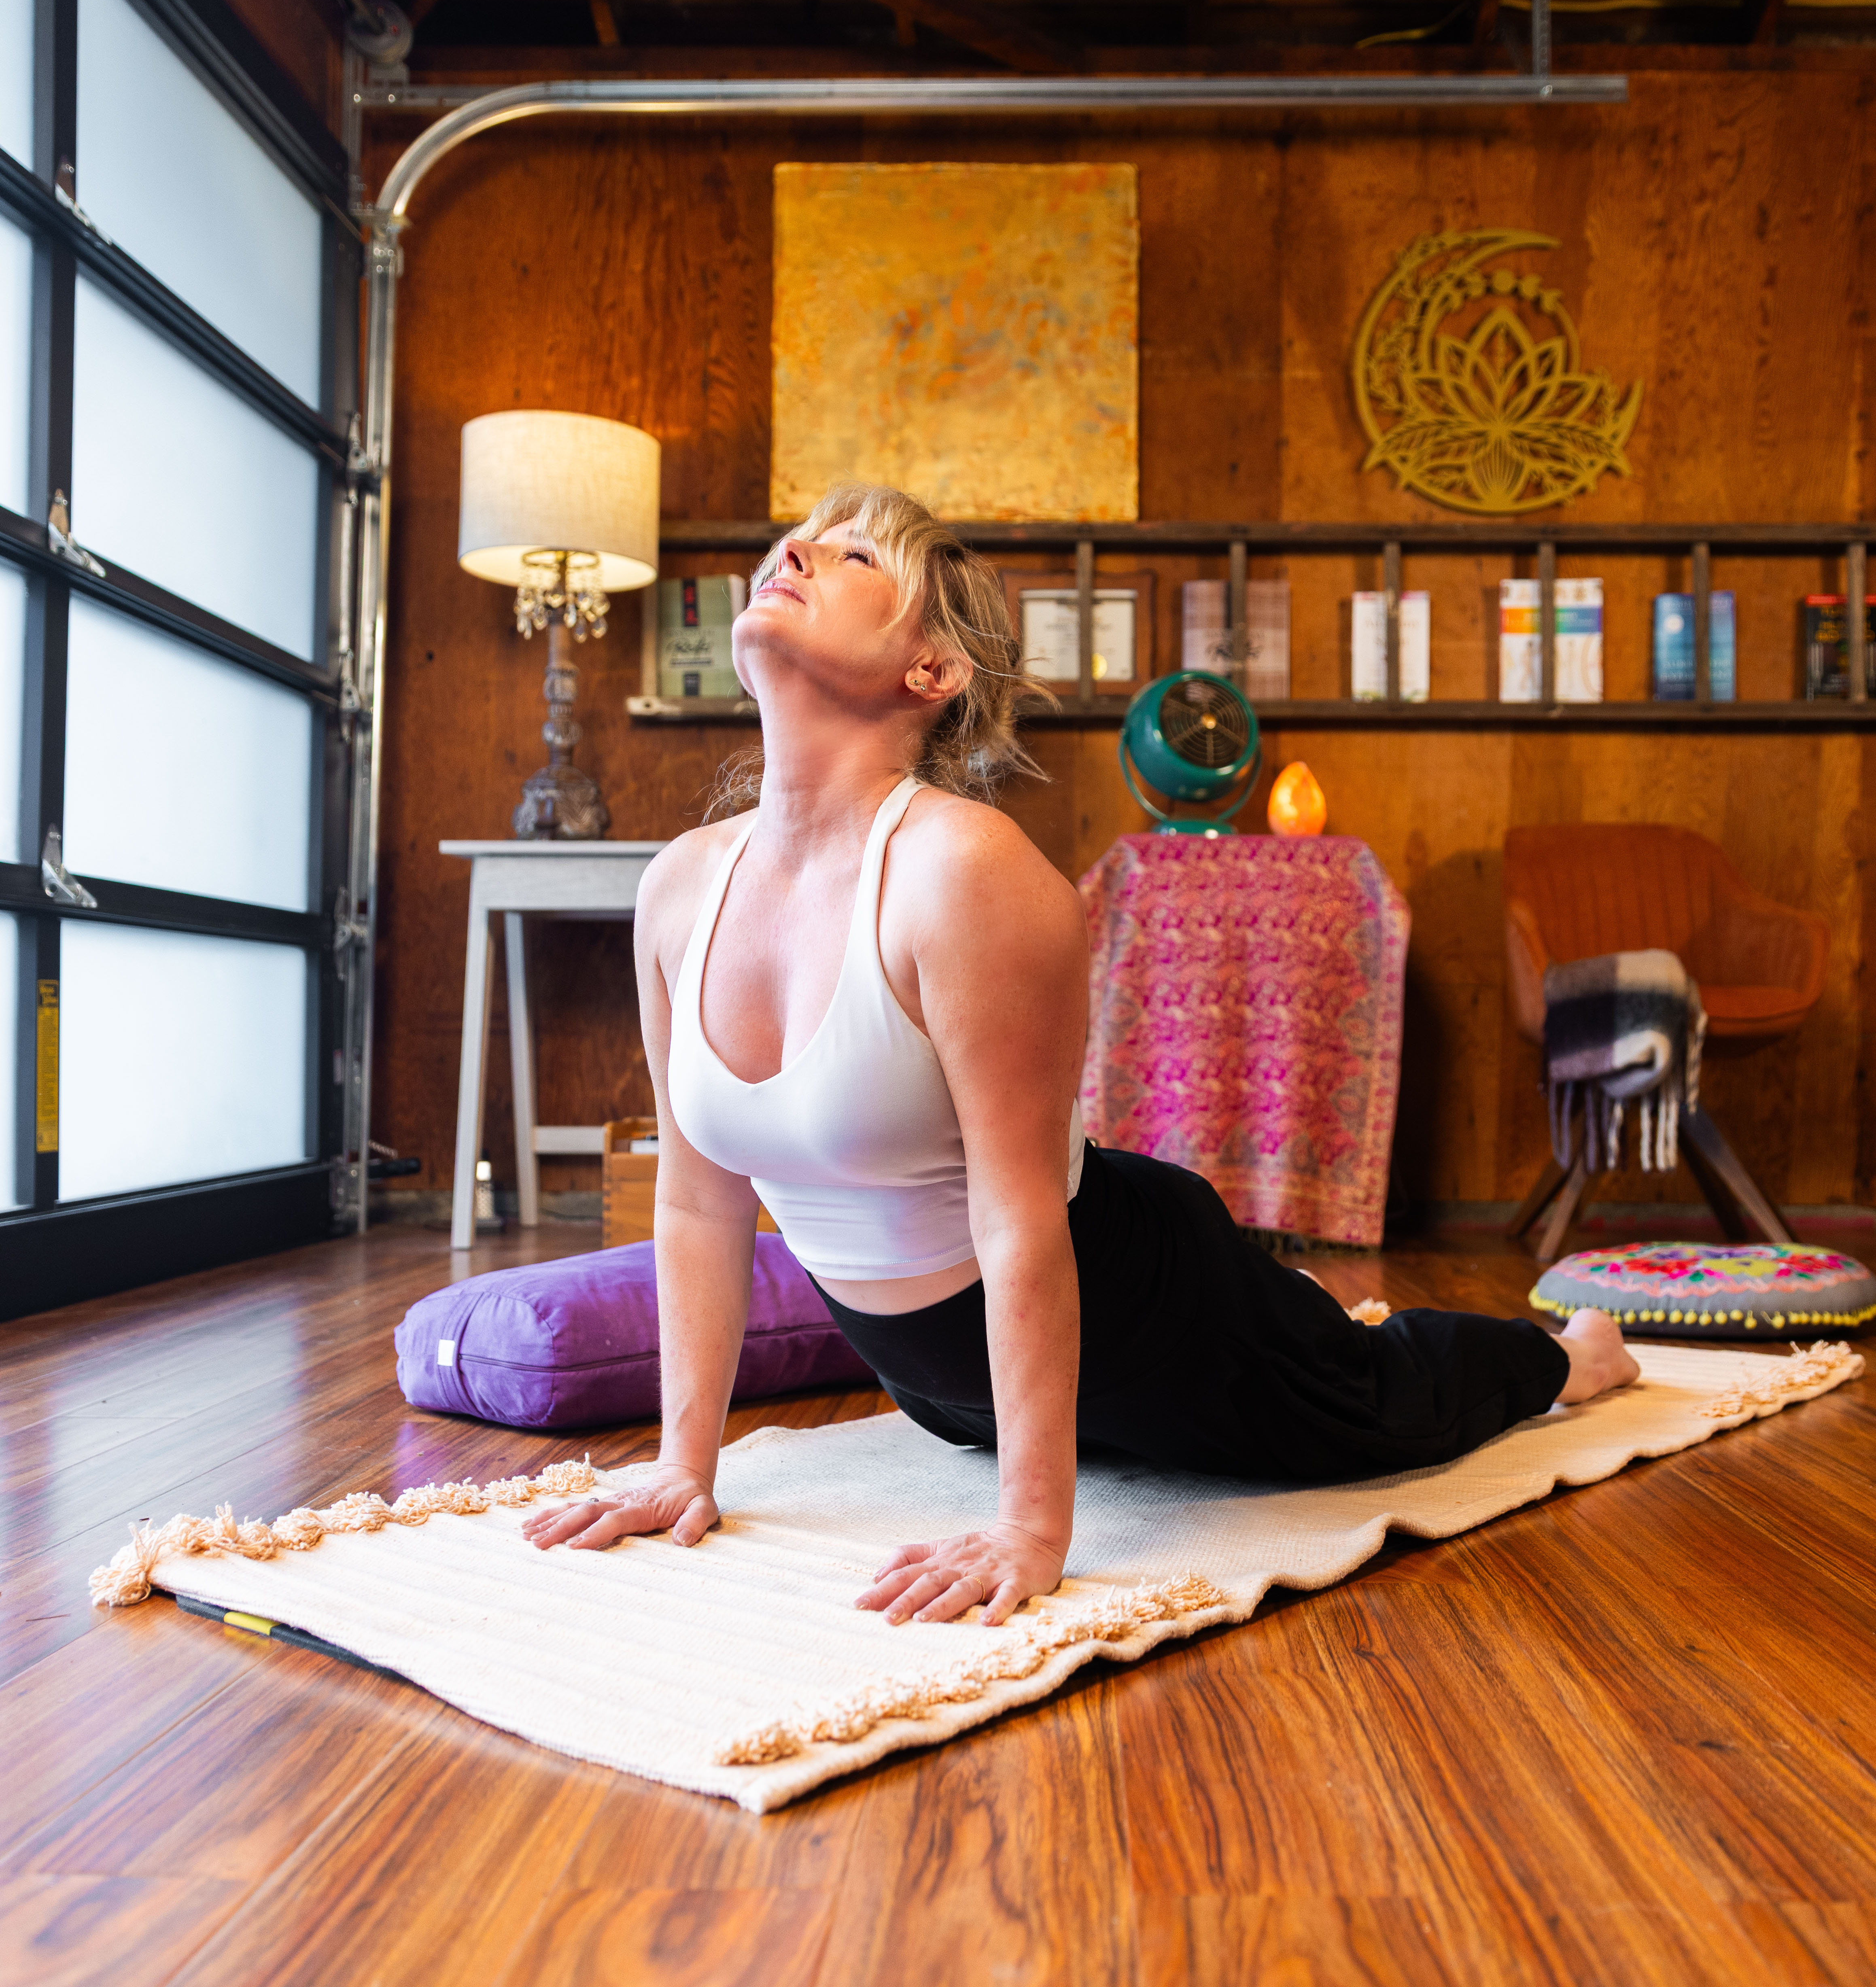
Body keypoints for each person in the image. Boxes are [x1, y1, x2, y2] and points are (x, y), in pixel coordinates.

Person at [522, 484, 1639, 1623]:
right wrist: (682, 1468)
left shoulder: (968, 873)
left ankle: (1573, 1357)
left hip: (1142, 1300)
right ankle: (1303, 1315)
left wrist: (1032, 1527)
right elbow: (699, 1199)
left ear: (933, 671)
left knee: (1374, 1402)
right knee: (1124, 1407)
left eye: (853, 553)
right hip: (944, 1389)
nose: (795, 550)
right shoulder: (678, 888)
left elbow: (1017, 1217)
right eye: (791, 542)